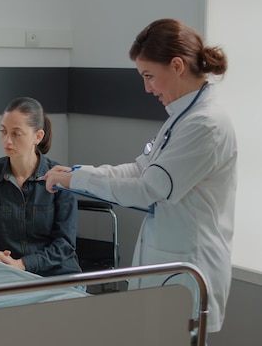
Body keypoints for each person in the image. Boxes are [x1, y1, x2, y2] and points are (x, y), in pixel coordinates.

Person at [44, 18, 236, 334]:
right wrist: (78, 172)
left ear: (177, 66)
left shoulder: (205, 125)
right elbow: (139, 169)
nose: (147, 88)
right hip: (170, 265)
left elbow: (147, 189)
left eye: (149, 76)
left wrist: (76, 182)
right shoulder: (182, 117)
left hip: (190, 266)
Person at [0, 97, 82, 277]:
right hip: (7, 273)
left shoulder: (60, 179)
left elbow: (65, 245)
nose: (7, 141)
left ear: (38, 136)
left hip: (57, 274)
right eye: (3, 132)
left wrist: (22, 264)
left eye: (16, 133)